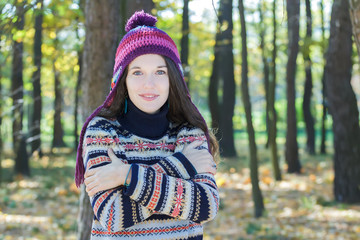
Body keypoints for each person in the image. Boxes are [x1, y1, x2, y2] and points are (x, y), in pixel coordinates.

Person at [75, 10, 219, 240]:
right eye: (137, 72)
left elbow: (205, 206)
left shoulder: (189, 131)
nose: (149, 84)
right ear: (123, 79)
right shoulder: (101, 131)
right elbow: (113, 215)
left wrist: (126, 176)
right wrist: (183, 165)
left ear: (173, 78)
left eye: (160, 72)